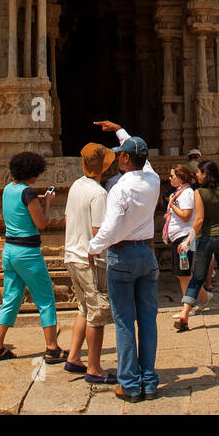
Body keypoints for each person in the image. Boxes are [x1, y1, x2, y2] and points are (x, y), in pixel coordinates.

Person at [88, 120, 161, 402]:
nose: (117, 157)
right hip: (147, 254)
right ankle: (149, 381)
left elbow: (111, 228)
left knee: (123, 322)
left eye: (120, 153)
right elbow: (147, 161)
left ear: (127, 158)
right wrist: (121, 131)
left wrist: (93, 248)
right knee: (148, 321)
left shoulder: (119, 188)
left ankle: (130, 384)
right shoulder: (153, 180)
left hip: (122, 255)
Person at [0, 151, 65, 363]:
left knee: (10, 299)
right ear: (33, 172)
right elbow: (41, 223)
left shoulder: (8, 190)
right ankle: (52, 347)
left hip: (9, 251)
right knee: (45, 298)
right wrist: (47, 203)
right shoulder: (28, 193)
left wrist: (36, 199)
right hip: (27, 253)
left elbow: (20, 206)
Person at [62, 142, 118, 384]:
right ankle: (94, 368)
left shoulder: (76, 185)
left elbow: (66, 218)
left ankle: (74, 357)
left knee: (84, 308)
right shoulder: (99, 194)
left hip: (72, 255)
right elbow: (98, 232)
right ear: (103, 168)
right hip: (90, 260)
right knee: (97, 313)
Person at [173, 160, 219, 332]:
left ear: (206, 174)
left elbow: (199, 220)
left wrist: (188, 240)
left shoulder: (199, 193)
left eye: (198, 172)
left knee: (197, 278)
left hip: (206, 239)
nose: (196, 175)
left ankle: (184, 313)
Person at [164, 163, 208, 310]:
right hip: (179, 237)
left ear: (181, 178)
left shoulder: (187, 193)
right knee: (182, 273)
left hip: (184, 239)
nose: (169, 178)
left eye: (172, 176)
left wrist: (171, 205)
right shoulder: (179, 193)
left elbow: (186, 215)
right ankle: (203, 296)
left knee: (184, 274)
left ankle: (188, 307)